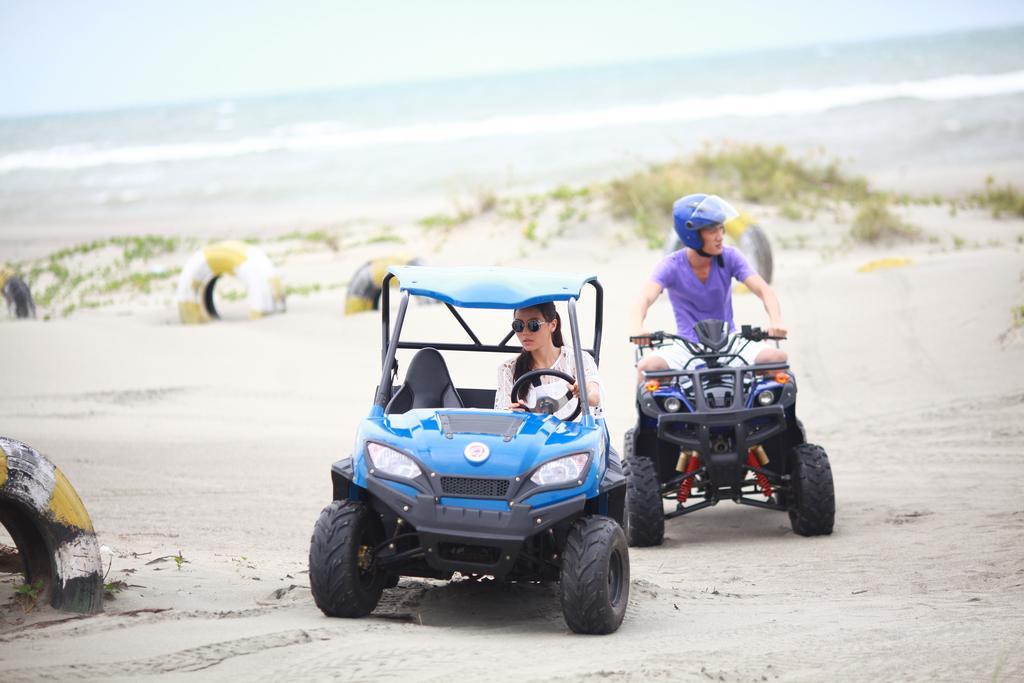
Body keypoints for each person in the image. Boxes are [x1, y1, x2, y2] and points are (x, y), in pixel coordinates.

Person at [632, 193, 787, 382]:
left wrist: (776, 322)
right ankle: (642, 413)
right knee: (646, 367)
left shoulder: (730, 256)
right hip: (686, 345)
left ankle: (776, 411)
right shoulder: (671, 265)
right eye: (712, 230)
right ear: (692, 234)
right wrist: (637, 328)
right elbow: (644, 297)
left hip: (729, 341)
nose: (720, 236)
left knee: (776, 359)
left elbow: (764, 290)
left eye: (721, 229)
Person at [495, 301, 602, 418]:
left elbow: (594, 396)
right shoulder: (508, 369)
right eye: (518, 325)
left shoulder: (578, 359)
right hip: (530, 434)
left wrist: (583, 392)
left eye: (533, 325)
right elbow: (503, 415)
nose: (525, 332)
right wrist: (513, 413)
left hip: (574, 434)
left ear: (553, 325)